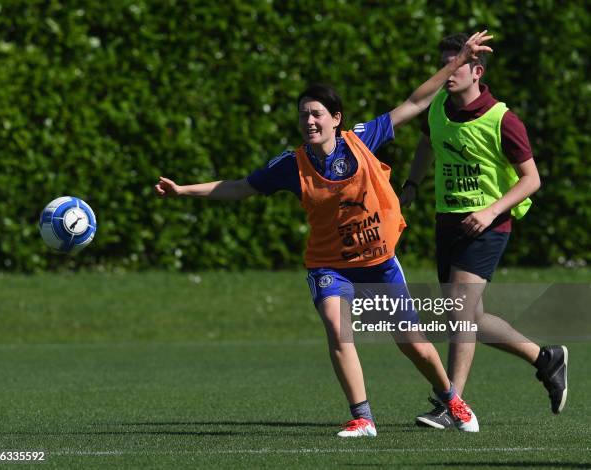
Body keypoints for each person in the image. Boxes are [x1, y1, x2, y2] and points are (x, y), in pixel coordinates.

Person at [155, 31, 494, 437]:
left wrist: (457, 63)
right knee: (337, 327)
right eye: (303, 115)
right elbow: (240, 187)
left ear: (336, 118)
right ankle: (363, 417)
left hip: (378, 262)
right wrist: (183, 190)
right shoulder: (290, 164)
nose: (309, 121)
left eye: (316, 113)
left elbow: (415, 103)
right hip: (329, 263)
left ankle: (452, 398)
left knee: (413, 345)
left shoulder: (362, 140)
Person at [399, 32, 568, 431]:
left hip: (489, 224)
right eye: (444, 64)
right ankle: (546, 359)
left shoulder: (502, 119)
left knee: (459, 311)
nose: (448, 73)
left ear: (477, 71)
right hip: (448, 221)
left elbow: (531, 180)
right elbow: (427, 143)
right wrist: (412, 185)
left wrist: (491, 211)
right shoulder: (438, 105)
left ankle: (451, 403)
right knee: (469, 316)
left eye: (455, 65)